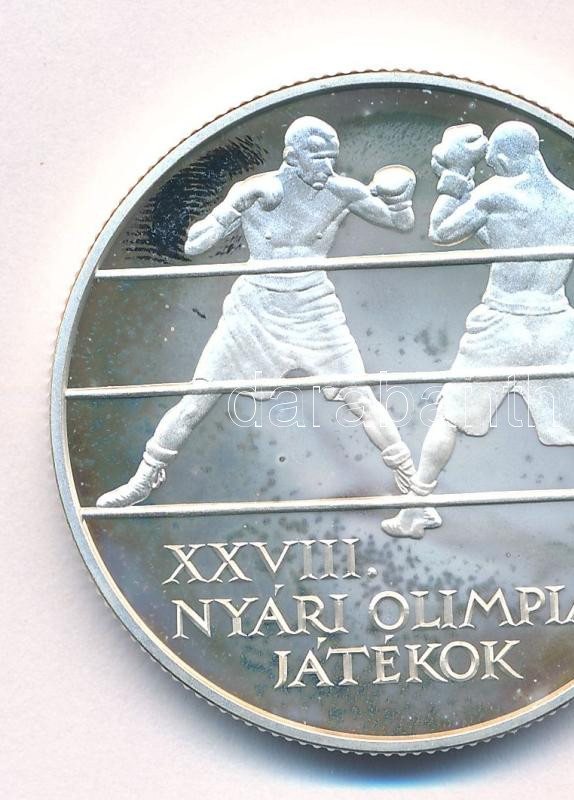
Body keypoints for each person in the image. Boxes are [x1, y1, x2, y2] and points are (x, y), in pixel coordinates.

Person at [97, 116, 433, 515]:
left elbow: (400, 223)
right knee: (196, 399)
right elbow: (194, 245)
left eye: (332, 157)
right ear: (292, 156)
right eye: (318, 157)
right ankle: (143, 479)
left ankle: (416, 493)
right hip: (255, 311)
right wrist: (234, 206)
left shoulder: (340, 190)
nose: (327, 166)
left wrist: (399, 196)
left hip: (314, 310)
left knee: (361, 399)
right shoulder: (253, 191)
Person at [381, 121, 574, 552]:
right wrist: (470, 196)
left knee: (448, 419)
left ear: (503, 160)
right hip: (553, 325)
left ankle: (413, 512)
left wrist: (455, 179)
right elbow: (501, 238)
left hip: (503, 322)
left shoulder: (497, 193)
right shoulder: (569, 201)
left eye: (493, 163)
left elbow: (442, 232)